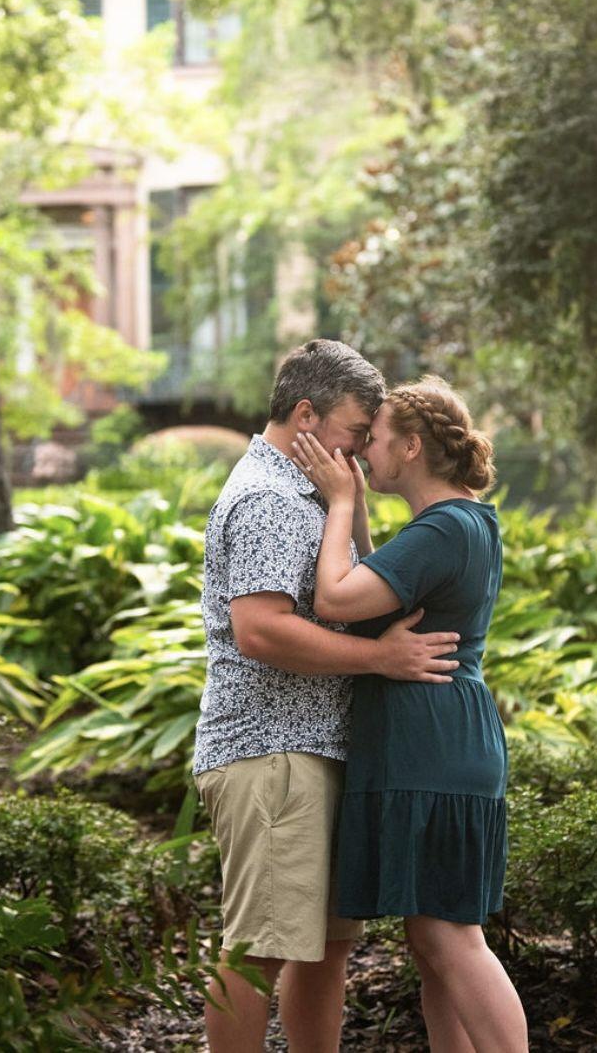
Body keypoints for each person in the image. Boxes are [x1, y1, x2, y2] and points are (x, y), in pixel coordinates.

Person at [192, 340, 462, 1053]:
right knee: (260, 948)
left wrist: (354, 506)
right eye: (355, 432)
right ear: (306, 415)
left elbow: (354, 594)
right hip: (273, 752)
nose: (364, 451)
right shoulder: (270, 499)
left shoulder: (312, 495)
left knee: (323, 949)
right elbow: (260, 630)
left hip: (317, 749)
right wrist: (380, 659)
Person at [290, 375, 529, 1053]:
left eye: (375, 438)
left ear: (413, 446)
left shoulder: (443, 527)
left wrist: (340, 503)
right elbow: (381, 594)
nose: (362, 450)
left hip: (433, 745)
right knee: (432, 943)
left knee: (448, 937)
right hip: (446, 738)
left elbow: (336, 601)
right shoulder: (462, 522)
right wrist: (361, 516)